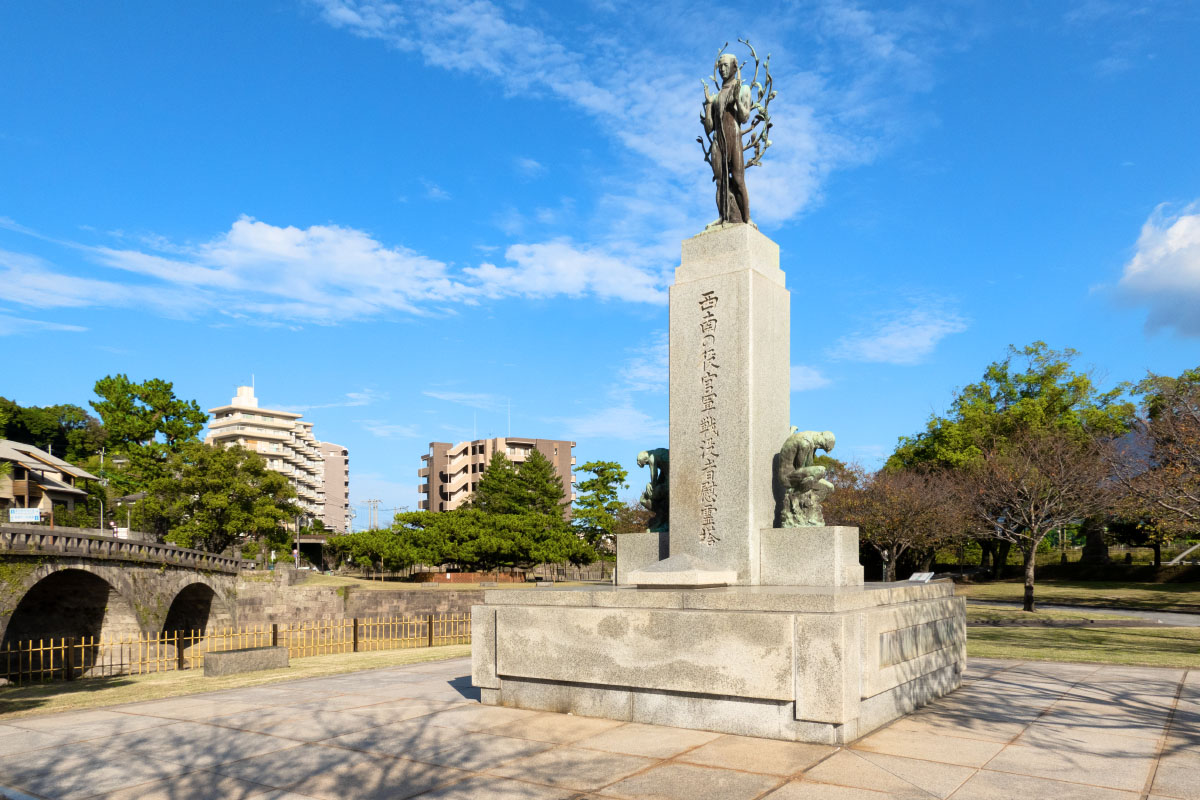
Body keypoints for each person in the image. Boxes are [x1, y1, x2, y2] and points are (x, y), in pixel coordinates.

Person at [703, 53, 753, 224]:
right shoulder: (716, 97)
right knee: (720, 181)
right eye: (720, 67)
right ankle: (723, 216)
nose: (723, 69)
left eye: (726, 65)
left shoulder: (743, 89)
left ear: (734, 67)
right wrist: (709, 105)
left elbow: (745, 117)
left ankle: (747, 219)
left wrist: (737, 101)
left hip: (734, 138)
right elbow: (709, 128)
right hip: (718, 141)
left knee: (738, 180)